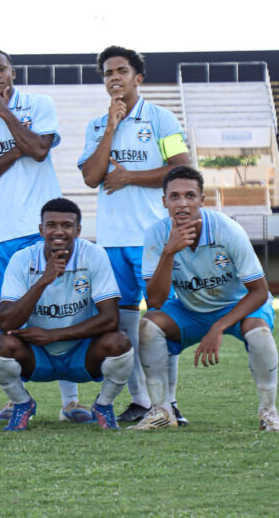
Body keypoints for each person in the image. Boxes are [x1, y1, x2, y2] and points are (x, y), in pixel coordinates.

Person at [0, 49, 86, 421]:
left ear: (12, 72)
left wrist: (6, 115)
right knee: (6, 318)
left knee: (55, 307)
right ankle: (17, 399)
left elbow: (40, 150)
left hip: (40, 227)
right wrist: (17, 149)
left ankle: (70, 401)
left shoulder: (38, 104)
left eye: (0, 69)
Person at [78, 45, 192, 425]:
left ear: (137, 78)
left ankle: (170, 402)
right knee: (122, 323)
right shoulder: (96, 125)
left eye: (121, 71)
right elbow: (92, 176)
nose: (114, 78)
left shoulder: (162, 119)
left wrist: (130, 176)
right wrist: (111, 127)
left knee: (160, 319)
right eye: (108, 73)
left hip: (153, 238)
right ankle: (142, 401)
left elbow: (181, 170)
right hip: (111, 241)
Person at [132, 165, 279, 432]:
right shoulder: (156, 234)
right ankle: (161, 410)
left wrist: (218, 327)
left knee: (259, 332)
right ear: (164, 201)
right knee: (149, 324)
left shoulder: (227, 230)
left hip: (237, 306)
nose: (182, 203)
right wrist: (169, 252)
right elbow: (156, 301)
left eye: (190, 196)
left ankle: (269, 412)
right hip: (190, 309)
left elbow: (259, 291)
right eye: (175, 196)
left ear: (202, 200)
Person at [0, 198, 135, 431]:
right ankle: (22, 404)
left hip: (81, 353)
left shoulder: (94, 255)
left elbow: (110, 318)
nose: (59, 231)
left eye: (66, 225)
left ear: (78, 230)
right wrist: (43, 280)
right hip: (37, 354)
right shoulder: (21, 259)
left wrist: (54, 334)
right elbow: (6, 321)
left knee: (120, 342)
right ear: (41, 229)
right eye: (51, 225)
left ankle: (104, 405)